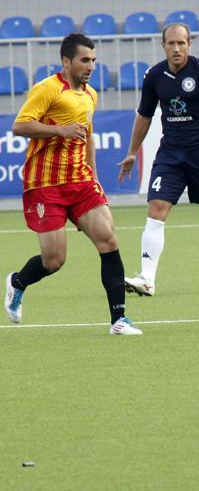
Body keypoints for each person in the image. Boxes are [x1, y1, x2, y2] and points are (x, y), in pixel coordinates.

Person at [4, 33, 141, 335]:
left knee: (109, 240)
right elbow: (19, 126)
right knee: (54, 260)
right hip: (45, 184)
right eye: (84, 60)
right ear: (66, 61)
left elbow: (88, 135)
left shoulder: (90, 94)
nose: (90, 66)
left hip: (80, 181)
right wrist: (61, 130)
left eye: (93, 60)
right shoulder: (47, 89)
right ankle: (17, 282)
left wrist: (94, 177)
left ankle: (119, 320)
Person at [117, 23, 199, 296]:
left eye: (181, 43)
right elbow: (145, 115)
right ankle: (147, 279)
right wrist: (132, 152)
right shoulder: (153, 76)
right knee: (156, 208)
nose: (176, 48)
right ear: (163, 45)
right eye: (171, 43)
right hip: (170, 154)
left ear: (189, 44)